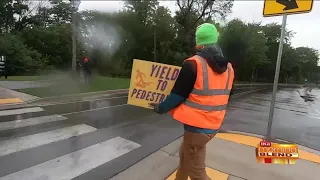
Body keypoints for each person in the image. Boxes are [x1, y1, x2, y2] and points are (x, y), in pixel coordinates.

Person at [150, 23, 234, 180]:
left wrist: (160, 108)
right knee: (185, 158)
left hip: (197, 128)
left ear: (200, 43)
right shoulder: (228, 67)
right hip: (213, 125)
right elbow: (227, 95)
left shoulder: (193, 64)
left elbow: (177, 96)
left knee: (197, 174)